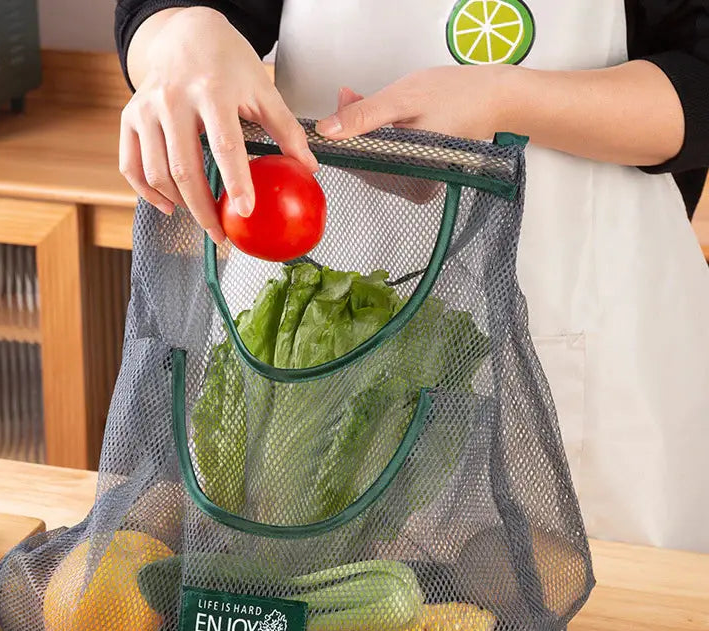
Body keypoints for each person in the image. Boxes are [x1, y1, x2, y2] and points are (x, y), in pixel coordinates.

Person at [113, 0, 709, 553]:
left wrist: (507, 98)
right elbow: (160, 8)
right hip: (303, 321)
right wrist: (181, 38)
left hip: (584, 307)